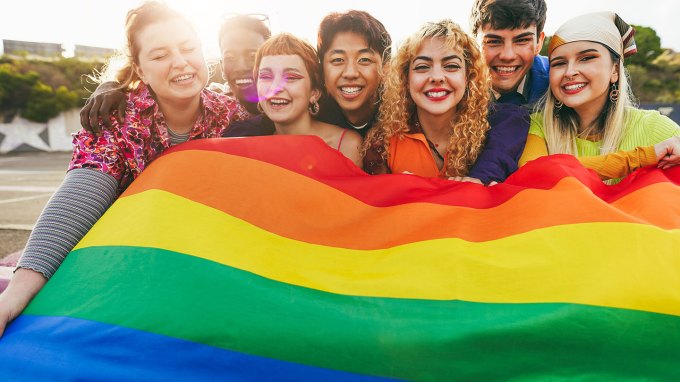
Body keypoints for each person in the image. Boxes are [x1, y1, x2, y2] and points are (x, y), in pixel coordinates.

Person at [0, 1, 249, 336]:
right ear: (140, 69)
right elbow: (80, 196)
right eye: (160, 55)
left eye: (189, 47)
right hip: (126, 263)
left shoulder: (236, 117)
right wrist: (11, 299)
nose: (180, 61)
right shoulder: (116, 118)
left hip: (205, 265)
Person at [363, 20, 529, 184]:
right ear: (406, 79)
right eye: (422, 67)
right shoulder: (382, 143)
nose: (436, 77)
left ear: (468, 77)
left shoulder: (491, 131)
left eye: (451, 66)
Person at [518, 12, 680, 180]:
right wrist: (642, 157)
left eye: (587, 58)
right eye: (559, 63)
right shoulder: (537, 126)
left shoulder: (655, 128)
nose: (570, 72)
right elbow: (536, 172)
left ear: (615, 70)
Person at [80, 13, 271, 132]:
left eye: (188, 49)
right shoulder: (120, 120)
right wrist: (110, 87)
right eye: (160, 55)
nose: (240, 66)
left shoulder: (230, 113)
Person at [225, 33, 363, 167]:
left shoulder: (346, 145)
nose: (275, 88)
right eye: (266, 76)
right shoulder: (247, 145)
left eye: (291, 77)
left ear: (314, 92)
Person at [315, 10, 392, 136]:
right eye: (338, 60)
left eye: (364, 60)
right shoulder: (311, 118)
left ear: (385, 68)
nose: (350, 73)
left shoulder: (406, 116)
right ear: (321, 68)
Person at [470, 0, 549, 106]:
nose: (507, 56)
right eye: (493, 41)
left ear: (539, 42)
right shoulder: (455, 89)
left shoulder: (559, 84)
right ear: (473, 44)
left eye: (522, 40)